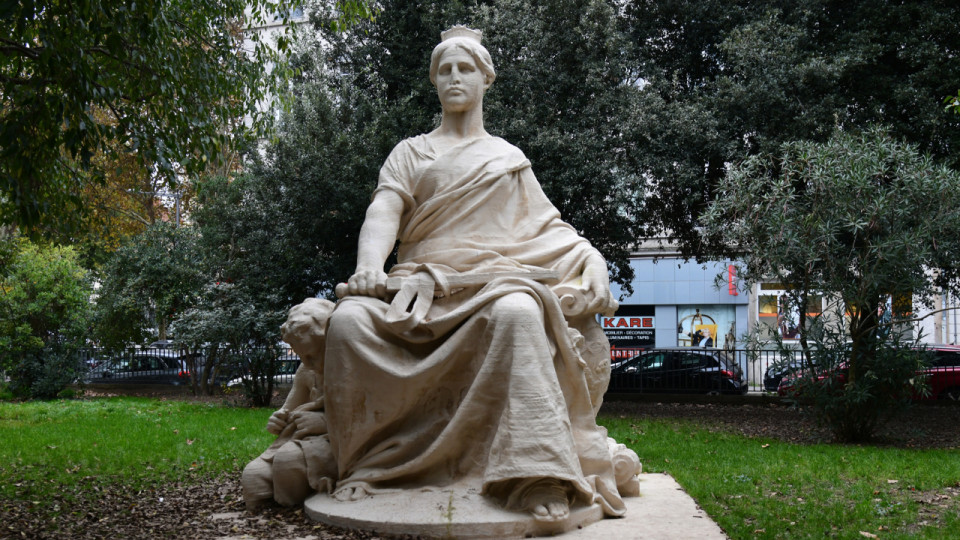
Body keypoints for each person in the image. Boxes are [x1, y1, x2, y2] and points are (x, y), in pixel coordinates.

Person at [323, 26, 636, 523]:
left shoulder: (506, 159)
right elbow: (383, 212)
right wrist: (367, 268)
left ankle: (535, 474)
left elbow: (551, 229)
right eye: (444, 70)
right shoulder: (411, 152)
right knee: (348, 324)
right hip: (417, 288)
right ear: (434, 81)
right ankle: (370, 467)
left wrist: (593, 261)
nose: (453, 78)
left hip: (492, 284)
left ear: (485, 78)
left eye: (464, 68)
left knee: (517, 311)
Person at [241, 298, 338, 508]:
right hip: (299, 437)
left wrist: (324, 423)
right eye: (302, 356)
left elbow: (367, 419)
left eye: (313, 355)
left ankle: (297, 505)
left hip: (337, 442)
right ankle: (278, 505)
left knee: (288, 462)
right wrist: (279, 419)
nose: (308, 363)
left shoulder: (347, 369)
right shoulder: (306, 371)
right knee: (253, 477)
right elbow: (289, 409)